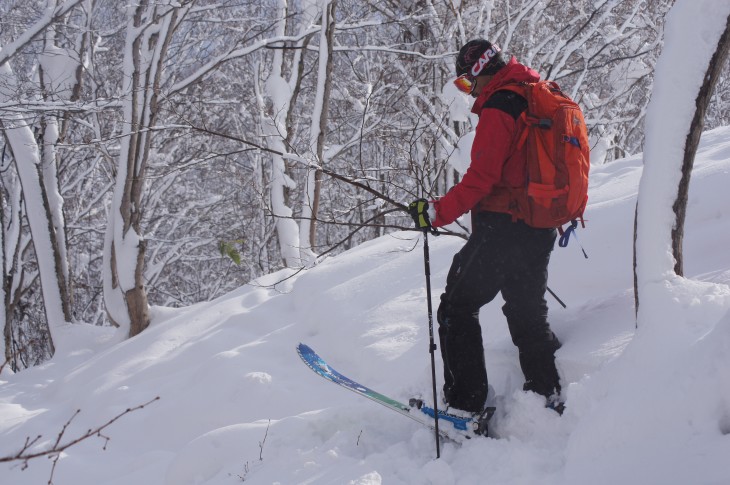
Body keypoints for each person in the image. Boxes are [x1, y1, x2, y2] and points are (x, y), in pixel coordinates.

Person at [409, 39, 563, 416]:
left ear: (479, 71)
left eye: (465, 82)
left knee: (456, 308)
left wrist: (436, 213)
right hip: (540, 225)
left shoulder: (499, 107)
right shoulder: (537, 95)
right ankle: (546, 397)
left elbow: (481, 178)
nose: (468, 91)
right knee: (527, 309)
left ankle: (465, 406)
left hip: (503, 229)